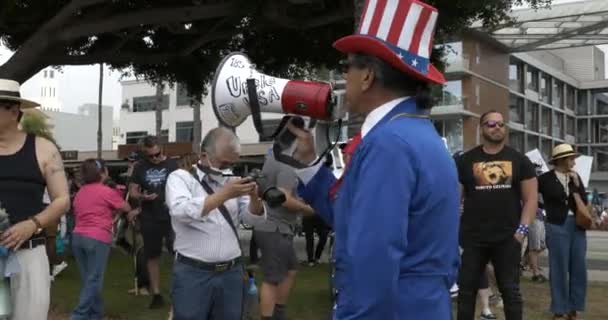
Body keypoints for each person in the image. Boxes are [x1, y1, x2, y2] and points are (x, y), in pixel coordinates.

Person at [289, 1, 460, 318]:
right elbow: (354, 217)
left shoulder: (387, 143)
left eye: (348, 66)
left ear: (367, 75)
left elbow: (375, 257)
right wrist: (312, 163)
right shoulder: (415, 133)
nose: (344, 75)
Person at [165, 127, 266, 320]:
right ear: (204, 155)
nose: (227, 169)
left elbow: (252, 219)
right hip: (193, 274)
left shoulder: (232, 180)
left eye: (232, 163)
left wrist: (254, 197)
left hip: (231, 273)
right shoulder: (181, 178)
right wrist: (225, 194)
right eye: (223, 163)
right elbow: (181, 211)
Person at [456, 110, 538, 320]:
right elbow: (454, 199)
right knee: (466, 293)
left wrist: (521, 231)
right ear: (482, 128)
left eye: (501, 124)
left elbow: (530, 200)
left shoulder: (520, 161)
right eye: (491, 124)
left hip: (507, 238)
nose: (497, 128)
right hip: (473, 238)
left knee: (511, 293)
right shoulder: (466, 161)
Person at [0, 79, 70, 319]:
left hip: (30, 254)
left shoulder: (43, 148)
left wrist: (32, 224)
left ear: (13, 111)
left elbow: (62, 199)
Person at [71, 159, 134, 320]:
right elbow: (125, 207)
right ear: (102, 172)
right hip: (97, 237)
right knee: (94, 280)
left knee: (89, 279)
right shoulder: (106, 191)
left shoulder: (80, 192)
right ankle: (78, 315)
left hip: (78, 237)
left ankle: (96, 314)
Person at [255, 152, 315, 320]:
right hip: (274, 227)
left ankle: (278, 313)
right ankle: (270, 317)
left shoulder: (272, 157)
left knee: (291, 269)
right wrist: (308, 210)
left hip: (276, 227)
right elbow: (284, 198)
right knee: (272, 278)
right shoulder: (287, 165)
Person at [538, 144, 588, 320]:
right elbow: (533, 197)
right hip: (557, 225)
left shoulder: (576, 177)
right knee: (559, 267)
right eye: (571, 158)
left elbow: (584, 200)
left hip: (578, 225)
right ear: (561, 160)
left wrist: (576, 184)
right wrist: (544, 211)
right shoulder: (544, 179)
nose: (573, 161)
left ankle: (575, 308)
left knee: (579, 267)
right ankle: (559, 309)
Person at [128, 135, 177, 308]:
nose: (155, 159)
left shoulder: (173, 165)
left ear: (161, 149)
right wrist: (143, 196)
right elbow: (132, 191)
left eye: (157, 154)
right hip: (150, 216)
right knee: (152, 256)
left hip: (172, 216)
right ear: (144, 153)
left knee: (178, 254)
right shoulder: (140, 167)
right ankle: (156, 294)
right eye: (151, 156)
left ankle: (179, 291)